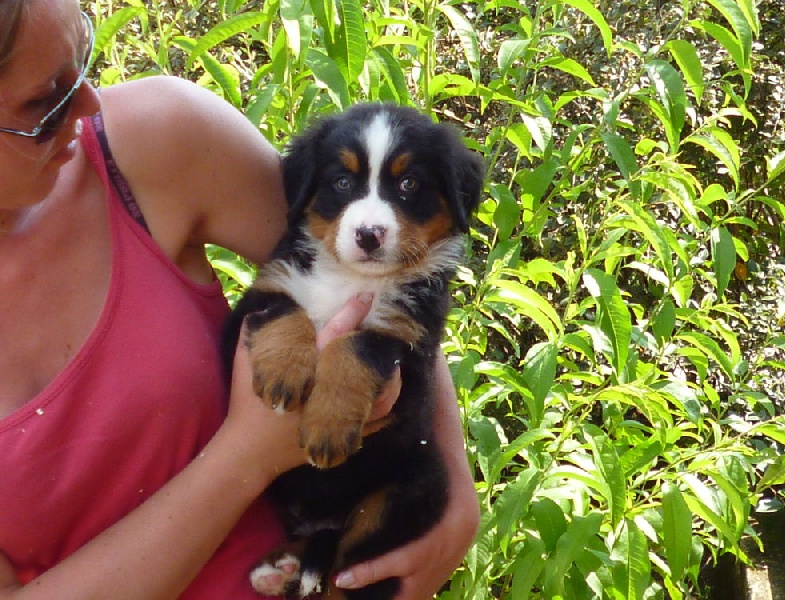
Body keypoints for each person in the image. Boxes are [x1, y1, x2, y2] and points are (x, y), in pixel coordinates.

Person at [0, 0, 480, 599]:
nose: (90, 102)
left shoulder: (160, 141)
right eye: (44, 103)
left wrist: (449, 485)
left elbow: (383, 285)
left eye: (84, 54)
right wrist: (249, 456)